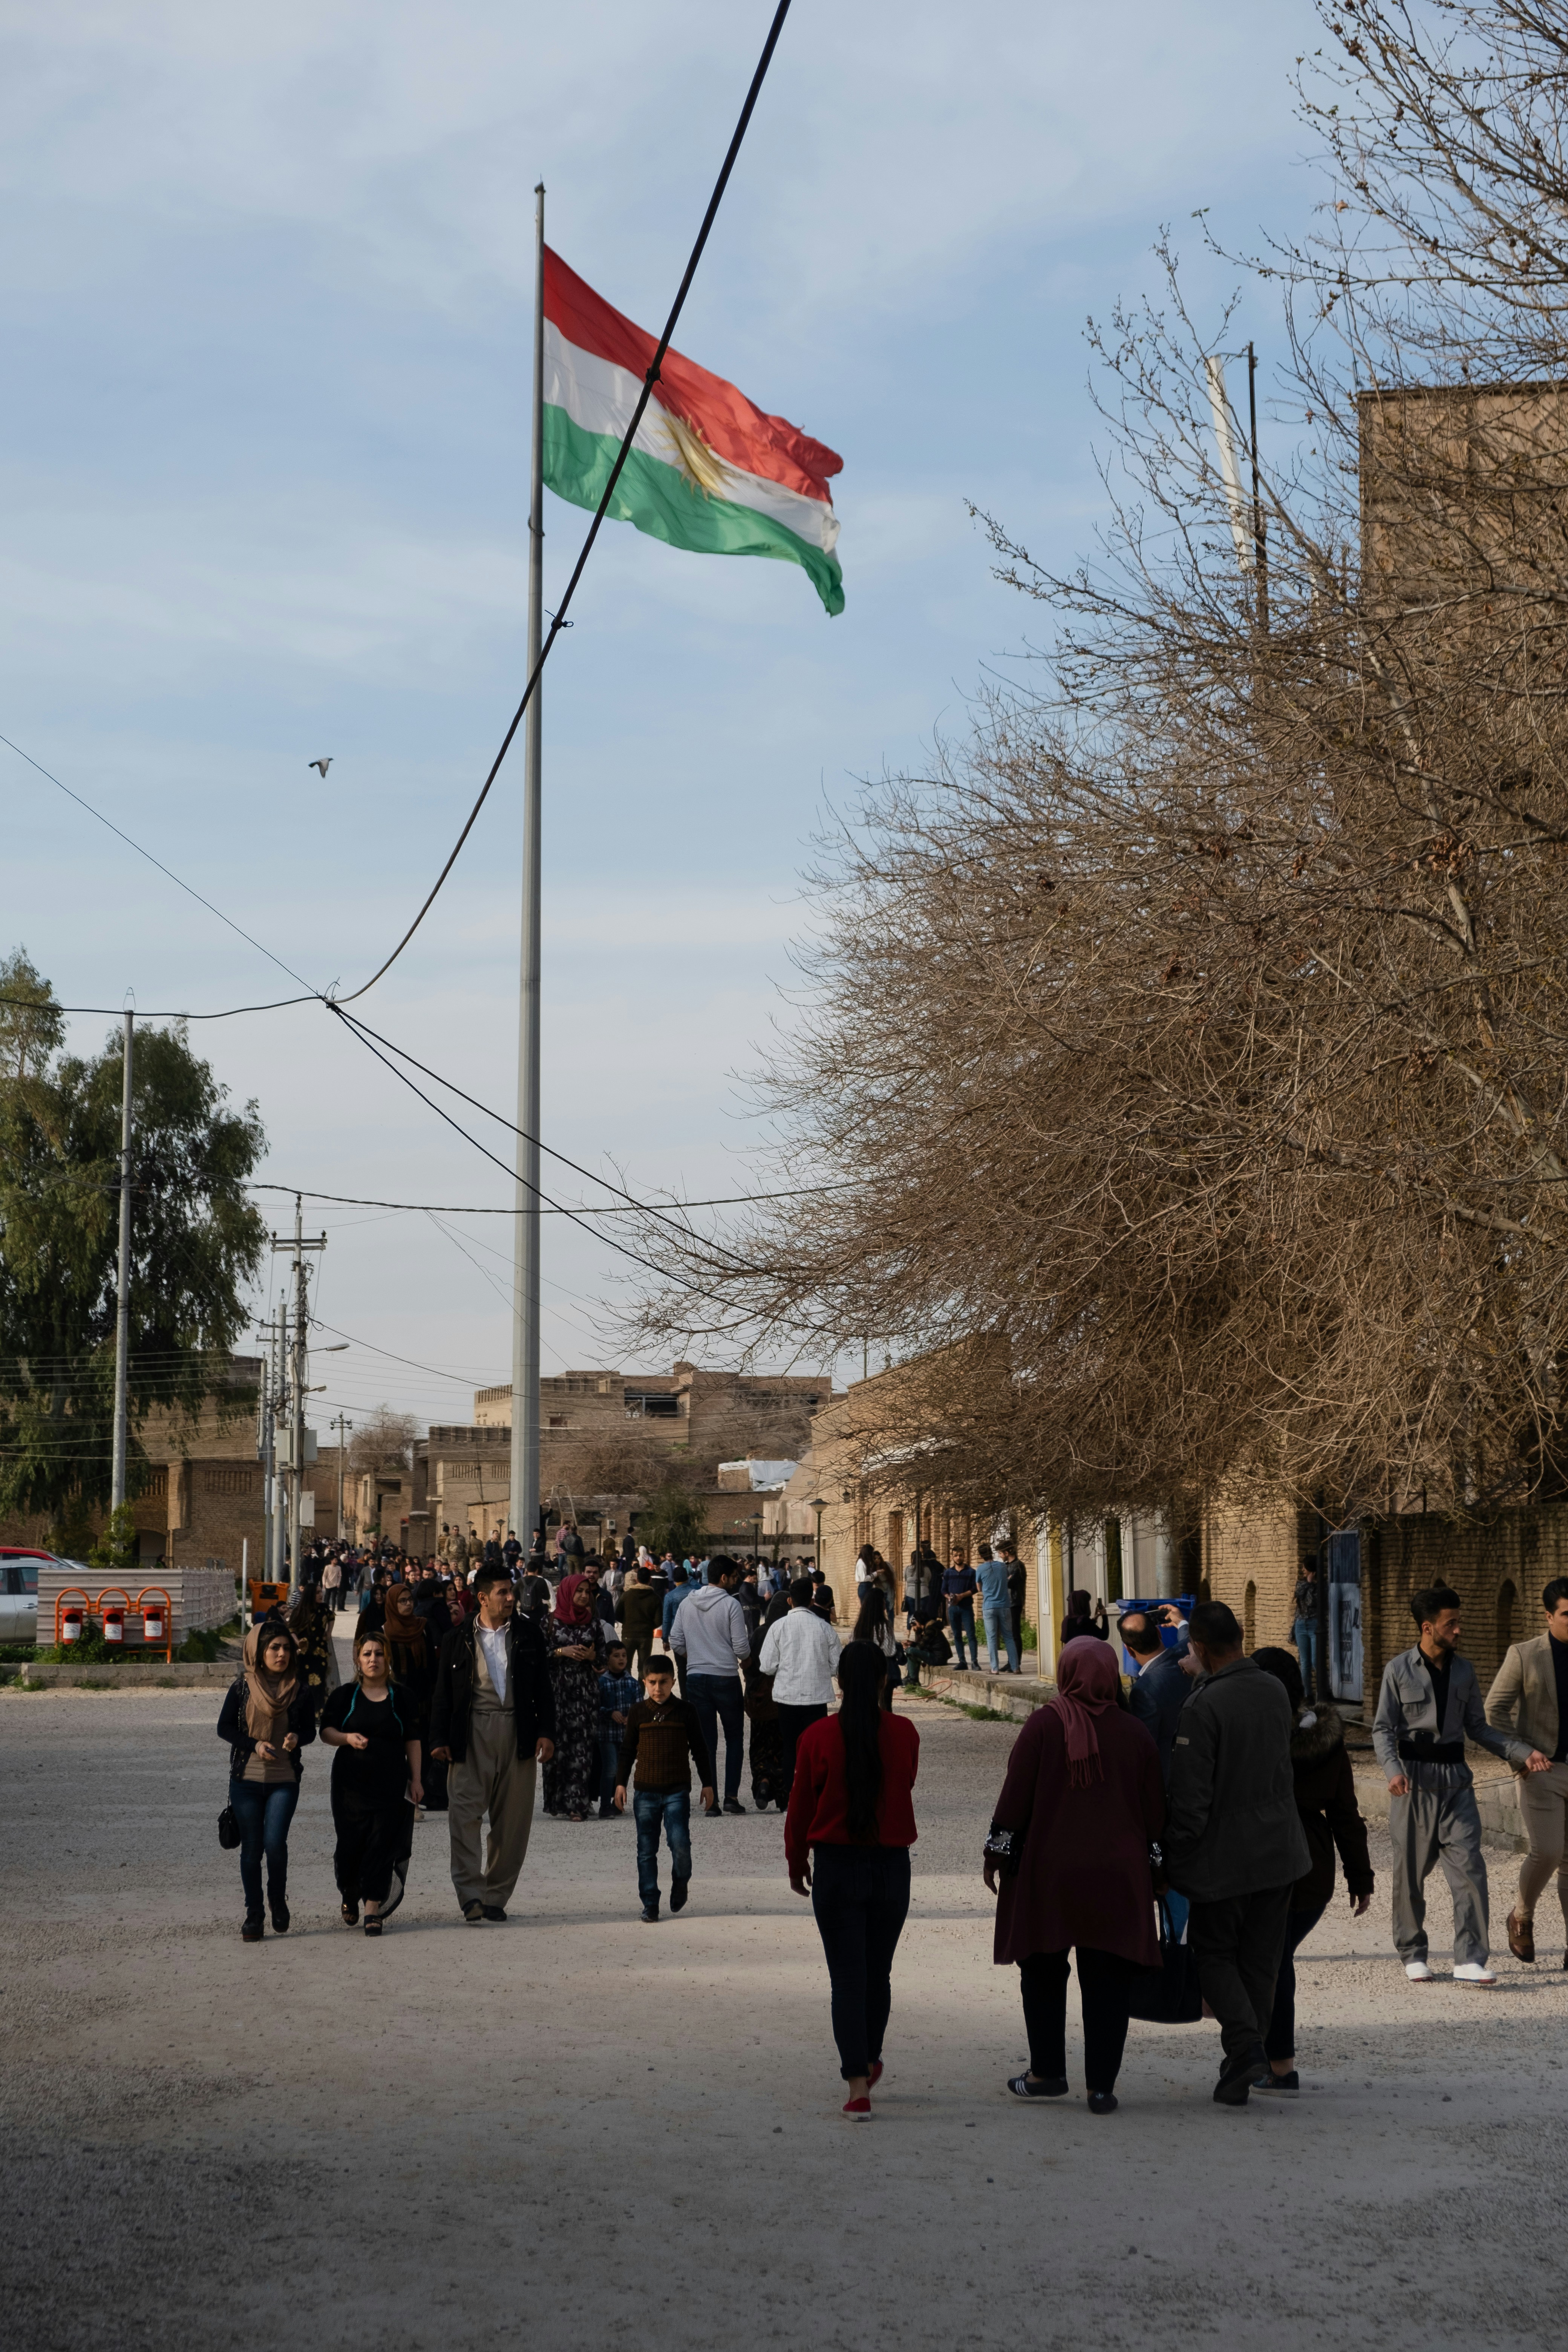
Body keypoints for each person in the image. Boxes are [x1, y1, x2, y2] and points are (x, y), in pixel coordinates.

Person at [984, 1635, 1163, 2116]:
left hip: (1049, 1876)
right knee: (1108, 1982)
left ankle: (1046, 2074)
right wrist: (1159, 1875)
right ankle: (1100, 2088)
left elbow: (1013, 1800)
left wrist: (995, 1855)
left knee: (1042, 1973)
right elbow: (1155, 1819)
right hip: (1117, 1879)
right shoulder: (1135, 1734)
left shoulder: (1044, 1726)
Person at [1165, 1599, 1311, 2106]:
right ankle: (1241, 2060)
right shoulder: (1274, 1690)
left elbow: (1192, 1798)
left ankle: (1246, 2048)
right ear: (1242, 1638)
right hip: (1280, 1850)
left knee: (1215, 1953)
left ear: (1200, 1648)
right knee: (1261, 1960)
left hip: (1226, 1856)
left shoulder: (1204, 1706)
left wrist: (1172, 1857)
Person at [1372, 1582, 1547, 1984]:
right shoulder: (1397, 1670)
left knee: (1470, 1867)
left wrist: (1521, 1753)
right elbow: (1383, 1729)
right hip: (1413, 1783)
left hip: (1456, 1784)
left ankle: (1470, 1957)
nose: (1458, 1630)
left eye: (1459, 1623)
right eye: (1450, 1624)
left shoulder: (1465, 1670)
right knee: (1409, 1873)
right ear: (1426, 1627)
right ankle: (1412, 1951)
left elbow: (1477, 1728)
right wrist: (1391, 1771)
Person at [787, 1643, 920, 2119]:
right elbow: (905, 1784)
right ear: (885, 1680)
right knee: (876, 1973)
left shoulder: (817, 1737)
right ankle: (869, 2054)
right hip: (890, 1865)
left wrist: (795, 1858)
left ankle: (857, 2085)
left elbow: (800, 1806)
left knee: (846, 1979)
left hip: (837, 1865)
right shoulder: (905, 1733)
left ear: (839, 1682)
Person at [1248, 1648, 1374, 2093]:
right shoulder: (1326, 1742)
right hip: (1312, 1867)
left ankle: (1276, 2064)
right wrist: (1360, 1878)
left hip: (1262, 1861)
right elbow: (1345, 1814)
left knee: (1272, 1962)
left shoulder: (1249, 1736)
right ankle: (1269, 2060)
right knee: (1274, 1960)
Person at [428, 1562, 557, 1923]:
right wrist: (438, 1738)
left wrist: (547, 1731)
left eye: (511, 1591)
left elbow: (544, 1690)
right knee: (464, 1815)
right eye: (503, 1592)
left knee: (513, 1821)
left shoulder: (529, 1634)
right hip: (471, 1732)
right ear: (483, 1598)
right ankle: (470, 1895)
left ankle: (496, 1896)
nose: (511, 1598)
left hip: (519, 1730)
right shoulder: (457, 1639)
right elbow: (442, 1694)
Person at [216, 1623, 318, 1941]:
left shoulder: (300, 1690)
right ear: (259, 1653)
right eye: (274, 1648)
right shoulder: (242, 1688)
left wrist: (296, 1738)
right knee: (252, 1849)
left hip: (283, 1780)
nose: (282, 1654)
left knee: (275, 1845)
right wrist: (255, 1744)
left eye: (286, 1648)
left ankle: (277, 1899)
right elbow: (225, 1729)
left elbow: (310, 1731)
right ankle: (254, 1914)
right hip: (246, 1780)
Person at [1487, 1576, 1568, 1967]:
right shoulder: (1525, 1654)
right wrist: (1521, 1754)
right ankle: (1521, 1915)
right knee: (1548, 1851)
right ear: (1548, 1616)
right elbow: (1494, 1711)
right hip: (1542, 1768)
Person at [319, 1629, 422, 1936]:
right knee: (351, 1844)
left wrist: (417, 1779)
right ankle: (350, 1892)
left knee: (382, 1844)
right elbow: (326, 1732)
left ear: (388, 1658)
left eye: (379, 1654)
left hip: (390, 1783)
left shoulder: (403, 1697)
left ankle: (373, 1908)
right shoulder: (344, 1696)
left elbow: (413, 1739)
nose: (373, 1660)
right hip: (350, 1785)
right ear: (357, 1659)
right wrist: (347, 1738)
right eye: (367, 1654)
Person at [614, 1656, 716, 1922]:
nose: (658, 1688)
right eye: (652, 1683)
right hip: (645, 1792)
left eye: (663, 1682)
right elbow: (627, 1751)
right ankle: (650, 1903)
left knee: (680, 1844)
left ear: (673, 1681)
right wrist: (620, 1783)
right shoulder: (637, 1712)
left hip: (677, 1791)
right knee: (646, 1850)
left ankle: (681, 1881)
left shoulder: (686, 1711)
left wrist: (708, 1784)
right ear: (645, 1682)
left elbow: (700, 1750)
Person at [671, 1554, 752, 1813]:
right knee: (734, 1737)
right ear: (725, 1578)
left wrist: (694, 1657)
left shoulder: (687, 1603)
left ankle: (712, 1800)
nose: (736, 1582)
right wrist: (745, 1660)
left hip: (695, 1677)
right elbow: (741, 1647)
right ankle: (731, 1797)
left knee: (706, 1741)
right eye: (735, 1577)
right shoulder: (731, 1605)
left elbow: (675, 1641)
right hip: (725, 1677)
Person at [760, 1575, 843, 1799]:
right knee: (816, 1750)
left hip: (787, 1698)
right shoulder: (825, 1629)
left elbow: (767, 1666)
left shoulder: (778, 1627)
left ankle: (790, 1798)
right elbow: (837, 1666)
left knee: (790, 1748)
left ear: (790, 1601)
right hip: (816, 1699)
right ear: (811, 1600)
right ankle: (816, 1796)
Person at [542, 1573, 608, 1820]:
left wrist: (592, 1658)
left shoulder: (593, 1624)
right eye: (578, 1591)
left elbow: (603, 1659)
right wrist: (562, 1651)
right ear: (568, 1593)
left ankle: (577, 1805)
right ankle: (557, 1802)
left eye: (586, 1592)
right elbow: (538, 1657)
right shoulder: (549, 1622)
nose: (583, 1596)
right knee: (557, 1749)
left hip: (584, 1694)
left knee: (581, 1750)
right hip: (556, 1693)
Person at [1123, 1609, 1197, 1781]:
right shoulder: (1187, 1654)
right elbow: (1187, 1640)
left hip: (1173, 1780)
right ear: (1159, 1633)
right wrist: (1181, 1622)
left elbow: (1145, 1747)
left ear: (1129, 1650)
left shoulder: (1143, 1691)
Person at [744, 1590, 787, 1811]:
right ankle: (782, 1795)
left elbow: (749, 1663)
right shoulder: (788, 1632)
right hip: (782, 1700)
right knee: (781, 1746)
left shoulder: (760, 1633)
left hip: (760, 1700)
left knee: (760, 1744)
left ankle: (763, 1781)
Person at [596, 1641, 641, 1820]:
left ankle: (617, 1803)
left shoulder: (633, 1683)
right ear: (608, 1660)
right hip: (607, 1734)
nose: (621, 1659)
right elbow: (594, 1707)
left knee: (623, 1770)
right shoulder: (602, 1683)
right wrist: (610, 1713)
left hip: (626, 1736)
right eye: (616, 1656)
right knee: (610, 1768)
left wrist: (633, 1718)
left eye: (624, 1655)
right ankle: (605, 1806)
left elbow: (640, 1708)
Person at [850, 1584, 899, 1708]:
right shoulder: (885, 1626)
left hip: (863, 1669)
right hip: (882, 1670)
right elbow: (889, 1651)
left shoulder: (859, 1627)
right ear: (878, 1603)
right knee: (885, 1706)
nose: (885, 1602)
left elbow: (852, 1647)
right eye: (883, 1600)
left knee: (866, 1705)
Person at [975, 1543, 1020, 1675]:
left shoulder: (980, 1569)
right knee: (1009, 1637)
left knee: (992, 1638)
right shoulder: (1002, 1566)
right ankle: (1016, 1667)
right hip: (1005, 1605)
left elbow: (979, 1588)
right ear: (991, 1552)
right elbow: (1006, 1580)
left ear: (981, 1555)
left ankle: (995, 1668)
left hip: (989, 1606)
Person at [619, 1563, 662, 1684]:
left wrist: (629, 1623)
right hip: (646, 1636)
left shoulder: (626, 1596)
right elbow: (659, 1621)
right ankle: (640, 1693)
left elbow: (618, 1615)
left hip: (628, 1635)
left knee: (626, 1665)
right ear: (650, 1580)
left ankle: (627, 1690)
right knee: (643, 1667)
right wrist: (648, 1626)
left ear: (637, 1580)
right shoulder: (655, 1598)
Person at [943, 1554, 979, 1671]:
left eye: (961, 1555)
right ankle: (962, 1661)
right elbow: (944, 1590)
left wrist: (962, 1596)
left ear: (964, 1556)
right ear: (952, 1557)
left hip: (966, 1607)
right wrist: (950, 1598)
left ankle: (974, 1661)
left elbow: (975, 1589)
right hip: (953, 1608)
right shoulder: (948, 1573)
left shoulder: (971, 1572)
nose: (959, 1558)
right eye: (956, 1556)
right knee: (957, 1635)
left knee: (971, 1635)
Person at [1293, 1557, 1321, 1701]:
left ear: (1312, 1570)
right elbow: (1299, 1599)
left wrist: (1311, 1585)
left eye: (1305, 1568)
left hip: (1315, 1625)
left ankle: (1323, 1692)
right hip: (1301, 1625)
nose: (1303, 1570)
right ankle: (1308, 1694)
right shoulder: (1301, 1584)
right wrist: (1308, 1585)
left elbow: (1312, 1603)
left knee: (1316, 1661)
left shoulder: (1321, 1587)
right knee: (1305, 1663)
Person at [1000, 1540, 1028, 1664]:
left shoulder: (1018, 1566)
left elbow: (1009, 1583)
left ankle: (1016, 1663)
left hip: (1015, 1603)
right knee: (1008, 1635)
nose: (1000, 1556)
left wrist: (1005, 1580)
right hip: (1006, 1603)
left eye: (1001, 1553)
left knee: (1015, 1634)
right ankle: (1011, 1661)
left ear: (1006, 1553)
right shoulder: (1006, 1566)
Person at [321, 1550, 342, 1622]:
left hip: (335, 1585)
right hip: (328, 1585)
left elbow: (340, 1576)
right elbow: (324, 1576)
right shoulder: (327, 1567)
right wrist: (324, 1584)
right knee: (327, 1598)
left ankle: (333, 1611)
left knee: (334, 1598)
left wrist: (338, 1583)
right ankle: (326, 1610)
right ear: (332, 1561)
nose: (336, 1561)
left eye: (337, 1560)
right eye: (335, 1560)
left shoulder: (339, 1568)